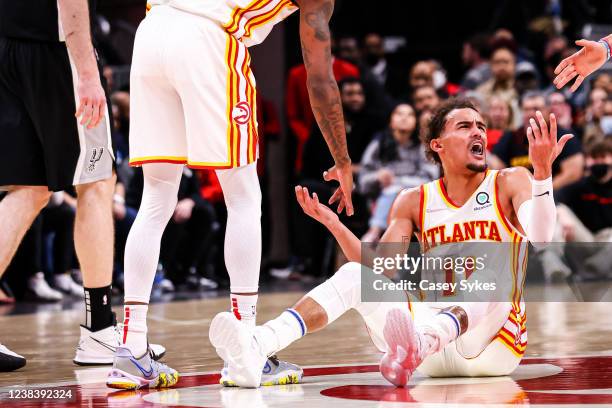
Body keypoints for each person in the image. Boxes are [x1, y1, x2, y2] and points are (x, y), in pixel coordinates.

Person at [208, 98, 569, 387]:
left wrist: (542, 174)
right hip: (423, 347)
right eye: (465, 126)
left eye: (481, 126)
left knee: (493, 269)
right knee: (353, 276)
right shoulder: (413, 200)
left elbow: (540, 236)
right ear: (437, 145)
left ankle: (424, 340)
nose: (479, 132)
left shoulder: (511, 180)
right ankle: (258, 346)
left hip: (490, 345)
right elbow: (377, 271)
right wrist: (334, 224)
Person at [108, 0, 355, 390]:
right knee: (243, 197)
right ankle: (246, 346)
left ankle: (131, 350)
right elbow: (320, 79)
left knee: (156, 198)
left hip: (152, 30)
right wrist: (342, 159)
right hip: (208, 37)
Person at [0, 0, 164, 372]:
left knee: (28, 189)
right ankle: (100, 330)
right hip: (56, 50)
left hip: (9, 45)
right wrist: (88, 73)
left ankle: (100, 330)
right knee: (98, 181)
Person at [359, 104, 438, 242]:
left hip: (416, 199)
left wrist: (398, 184)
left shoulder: (423, 147)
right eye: (399, 114)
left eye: (410, 114)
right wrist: (377, 177)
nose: (404, 118)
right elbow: (363, 180)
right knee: (390, 192)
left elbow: (431, 179)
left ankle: (374, 232)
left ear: (416, 121)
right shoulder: (379, 144)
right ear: (391, 120)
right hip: (378, 199)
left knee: (394, 190)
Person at [490, 92, 584, 191]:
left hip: (555, 196)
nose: (530, 114)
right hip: (518, 196)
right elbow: (496, 169)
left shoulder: (563, 136)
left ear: (548, 110)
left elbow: (574, 173)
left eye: (536, 109)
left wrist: (540, 192)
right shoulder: (511, 137)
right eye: (526, 110)